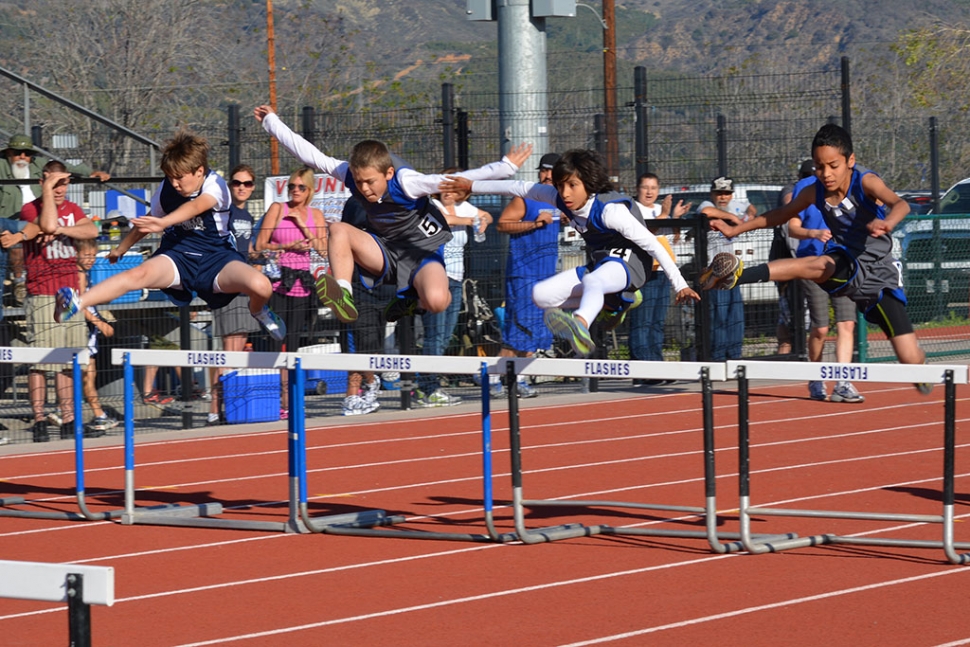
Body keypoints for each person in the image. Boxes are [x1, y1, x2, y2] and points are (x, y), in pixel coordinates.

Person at [699, 123, 931, 393]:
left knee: (909, 359)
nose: (826, 174)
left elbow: (900, 203)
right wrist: (735, 228)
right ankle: (737, 275)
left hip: (879, 275)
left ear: (850, 161)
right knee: (819, 265)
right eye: (820, 167)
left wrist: (888, 223)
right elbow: (779, 216)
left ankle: (919, 362)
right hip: (846, 261)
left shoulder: (865, 181)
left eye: (833, 165)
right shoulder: (814, 190)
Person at [254, 104, 531, 327]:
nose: (364, 189)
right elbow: (310, 155)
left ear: (387, 173)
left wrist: (504, 167)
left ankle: (414, 300)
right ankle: (343, 294)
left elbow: (456, 179)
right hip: (384, 251)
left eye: (370, 182)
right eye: (359, 182)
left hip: (422, 253)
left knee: (436, 302)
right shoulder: (349, 174)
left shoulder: (407, 181)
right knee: (338, 229)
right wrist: (272, 122)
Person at [441, 149, 700, 358]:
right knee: (540, 295)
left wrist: (680, 286)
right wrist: (472, 185)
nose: (565, 194)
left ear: (588, 183)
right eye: (560, 186)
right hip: (600, 265)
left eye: (572, 186)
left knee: (594, 281)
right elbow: (517, 187)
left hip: (632, 262)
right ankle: (616, 303)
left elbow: (653, 245)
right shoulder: (557, 197)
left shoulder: (610, 211)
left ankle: (582, 323)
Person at [52, 131, 285, 358]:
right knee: (137, 275)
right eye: (170, 176)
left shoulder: (216, 185)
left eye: (179, 177)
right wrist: (120, 249)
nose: (174, 183)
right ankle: (76, 302)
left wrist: (163, 222)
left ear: (199, 171)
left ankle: (258, 311)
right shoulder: (165, 190)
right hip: (178, 255)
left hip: (216, 258)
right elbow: (146, 223)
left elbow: (195, 207)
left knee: (261, 285)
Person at [20, 161, 103, 442]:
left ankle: (69, 417)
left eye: (63, 183)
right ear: (44, 181)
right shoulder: (31, 207)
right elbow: (46, 224)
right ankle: (40, 418)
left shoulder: (74, 210)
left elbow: (91, 230)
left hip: (68, 292)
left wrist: (66, 230)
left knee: (68, 359)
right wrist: (47, 192)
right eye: (54, 183)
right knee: (41, 360)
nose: (59, 189)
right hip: (42, 290)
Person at [0, 134, 111, 306]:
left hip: (42, 216)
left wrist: (91, 173)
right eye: (17, 152)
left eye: (27, 153)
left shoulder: (40, 165)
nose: (23, 157)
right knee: (17, 241)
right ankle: (19, 281)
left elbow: (65, 167)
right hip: (12, 219)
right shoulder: (0, 166)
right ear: (8, 153)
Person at [412, 172, 492, 407]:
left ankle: (431, 385)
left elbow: (485, 215)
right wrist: (470, 222)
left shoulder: (464, 207)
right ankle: (426, 388)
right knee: (434, 335)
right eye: (444, 187)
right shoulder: (431, 205)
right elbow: (445, 221)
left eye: (453, 188)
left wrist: (483, 219)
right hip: (435, 277)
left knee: (446, 336)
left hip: (456, 279)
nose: (448, 192)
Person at [253, 166, 328, 420]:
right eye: (292, 187)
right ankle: (277, 399)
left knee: (294, 345)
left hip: (302, 286)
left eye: (301, 187)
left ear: (310, 190)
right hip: (278, 283)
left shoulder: (315, 214)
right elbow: (260, 245)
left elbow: (323, 249)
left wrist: (301, 226)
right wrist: (287, 245)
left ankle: (291, 402)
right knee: (276, 343)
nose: (295, 191)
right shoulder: (277, 209)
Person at [786, 161, 863, 403]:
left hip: (842, 262)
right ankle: (816, 376)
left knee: (847, 323)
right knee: (820, 327)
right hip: (813, 263)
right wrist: (814, 234)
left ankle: (843, 381)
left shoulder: (850, 184)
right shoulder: (805, 188)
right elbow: (792, 227)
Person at [489, 152, 561, 399]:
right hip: (523, 275)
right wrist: (535, 224)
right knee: (517, 332)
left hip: (547, 278)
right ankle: (493, 379)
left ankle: (517, 380)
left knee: (533, 334)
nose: (548, 175)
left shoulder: (561, 200)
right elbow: (502, 224)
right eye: (544, 170)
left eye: (553, 171)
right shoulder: (526, 197)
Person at [207, 164, 262, 425]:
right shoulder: (223, 211)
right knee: (229, 351)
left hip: (244, 286)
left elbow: (247, 247)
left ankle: (224, 407)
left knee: (237, 348)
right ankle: (215, 409)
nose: (242, 187)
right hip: (228, 284)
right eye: (237, 182)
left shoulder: (247, 216)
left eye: (248, 183)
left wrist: (258, 258)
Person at [627, 172, 692, 383]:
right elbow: (645, 230)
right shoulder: (632, 208)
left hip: (663, 271)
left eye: (653, 188)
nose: (649, 192)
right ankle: (642, 370)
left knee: (656, 322)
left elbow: (672, 238)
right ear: (637, 189)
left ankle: (656, 366)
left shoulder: (659, 210)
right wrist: (665, 214)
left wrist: (676, 219)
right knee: (642, 321)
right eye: (645, 187)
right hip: (645, 271)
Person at [697, 177, 757, 360]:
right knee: (719, 315)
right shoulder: (707, 205)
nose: (723, 197)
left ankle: (735, 354)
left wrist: (750, 214)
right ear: (712, 194)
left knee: (735, 315)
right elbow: (706, 212)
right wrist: (731, 218)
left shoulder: (737, 205)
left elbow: (751, 207)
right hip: (716, 270)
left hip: (734, 269)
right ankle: (719, 356)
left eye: (726, 193)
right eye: (719, 193)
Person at [338, 197, 384, 416]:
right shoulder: (353, 205)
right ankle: (352, 395)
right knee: (357, 342)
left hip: (385, 285)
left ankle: (371, 384)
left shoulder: (393, 203)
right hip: (357, 285)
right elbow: (342, 240)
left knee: (373, 344)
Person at [75, 237, 119, 432]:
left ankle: (88, 412)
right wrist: (99, 323)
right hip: (85, 329)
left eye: (93, 255)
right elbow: (78, 305)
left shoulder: (86, 273)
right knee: (87, 374)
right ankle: (98, 414)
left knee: (87, 374)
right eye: (86, 255)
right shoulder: (79, 275)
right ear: (76, 254)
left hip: (90, 329)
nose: (91, 259)